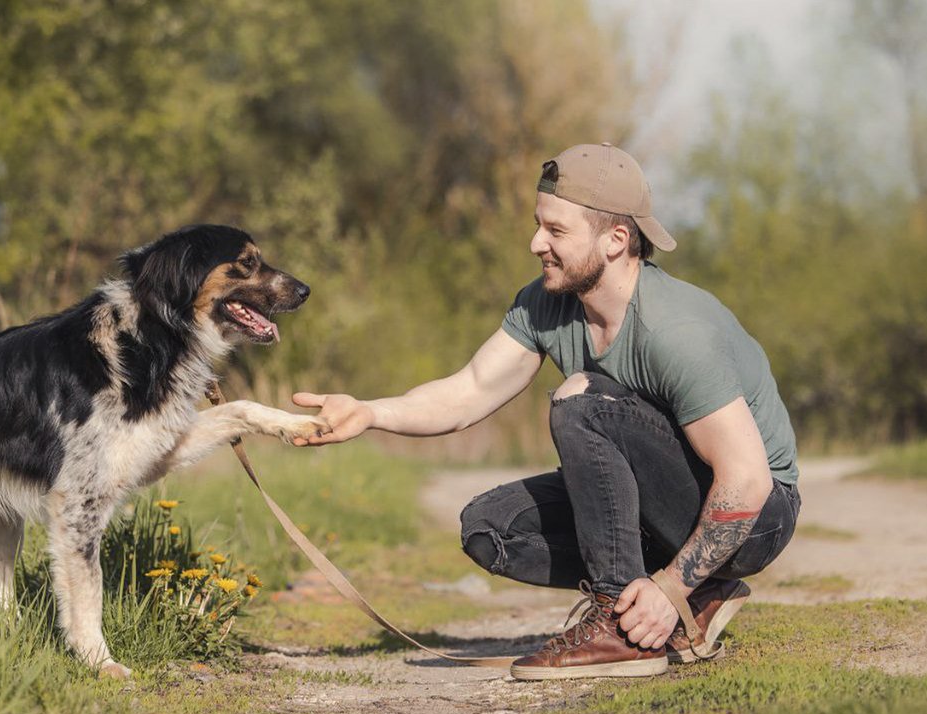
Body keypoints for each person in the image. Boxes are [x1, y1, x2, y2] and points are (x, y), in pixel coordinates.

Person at [291, 143, 800, 680]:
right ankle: (688, 598)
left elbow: (746, 480)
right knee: (490, 529)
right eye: (539, 226)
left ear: (615, 240)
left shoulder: (676, 332)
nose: (537, 243)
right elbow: (468, 389)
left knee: (582, 399)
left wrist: (671, 584)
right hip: (678, 507)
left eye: (556, 231)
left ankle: (620, 621)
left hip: (758, 518)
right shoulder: (546, 303)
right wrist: (370, 412)